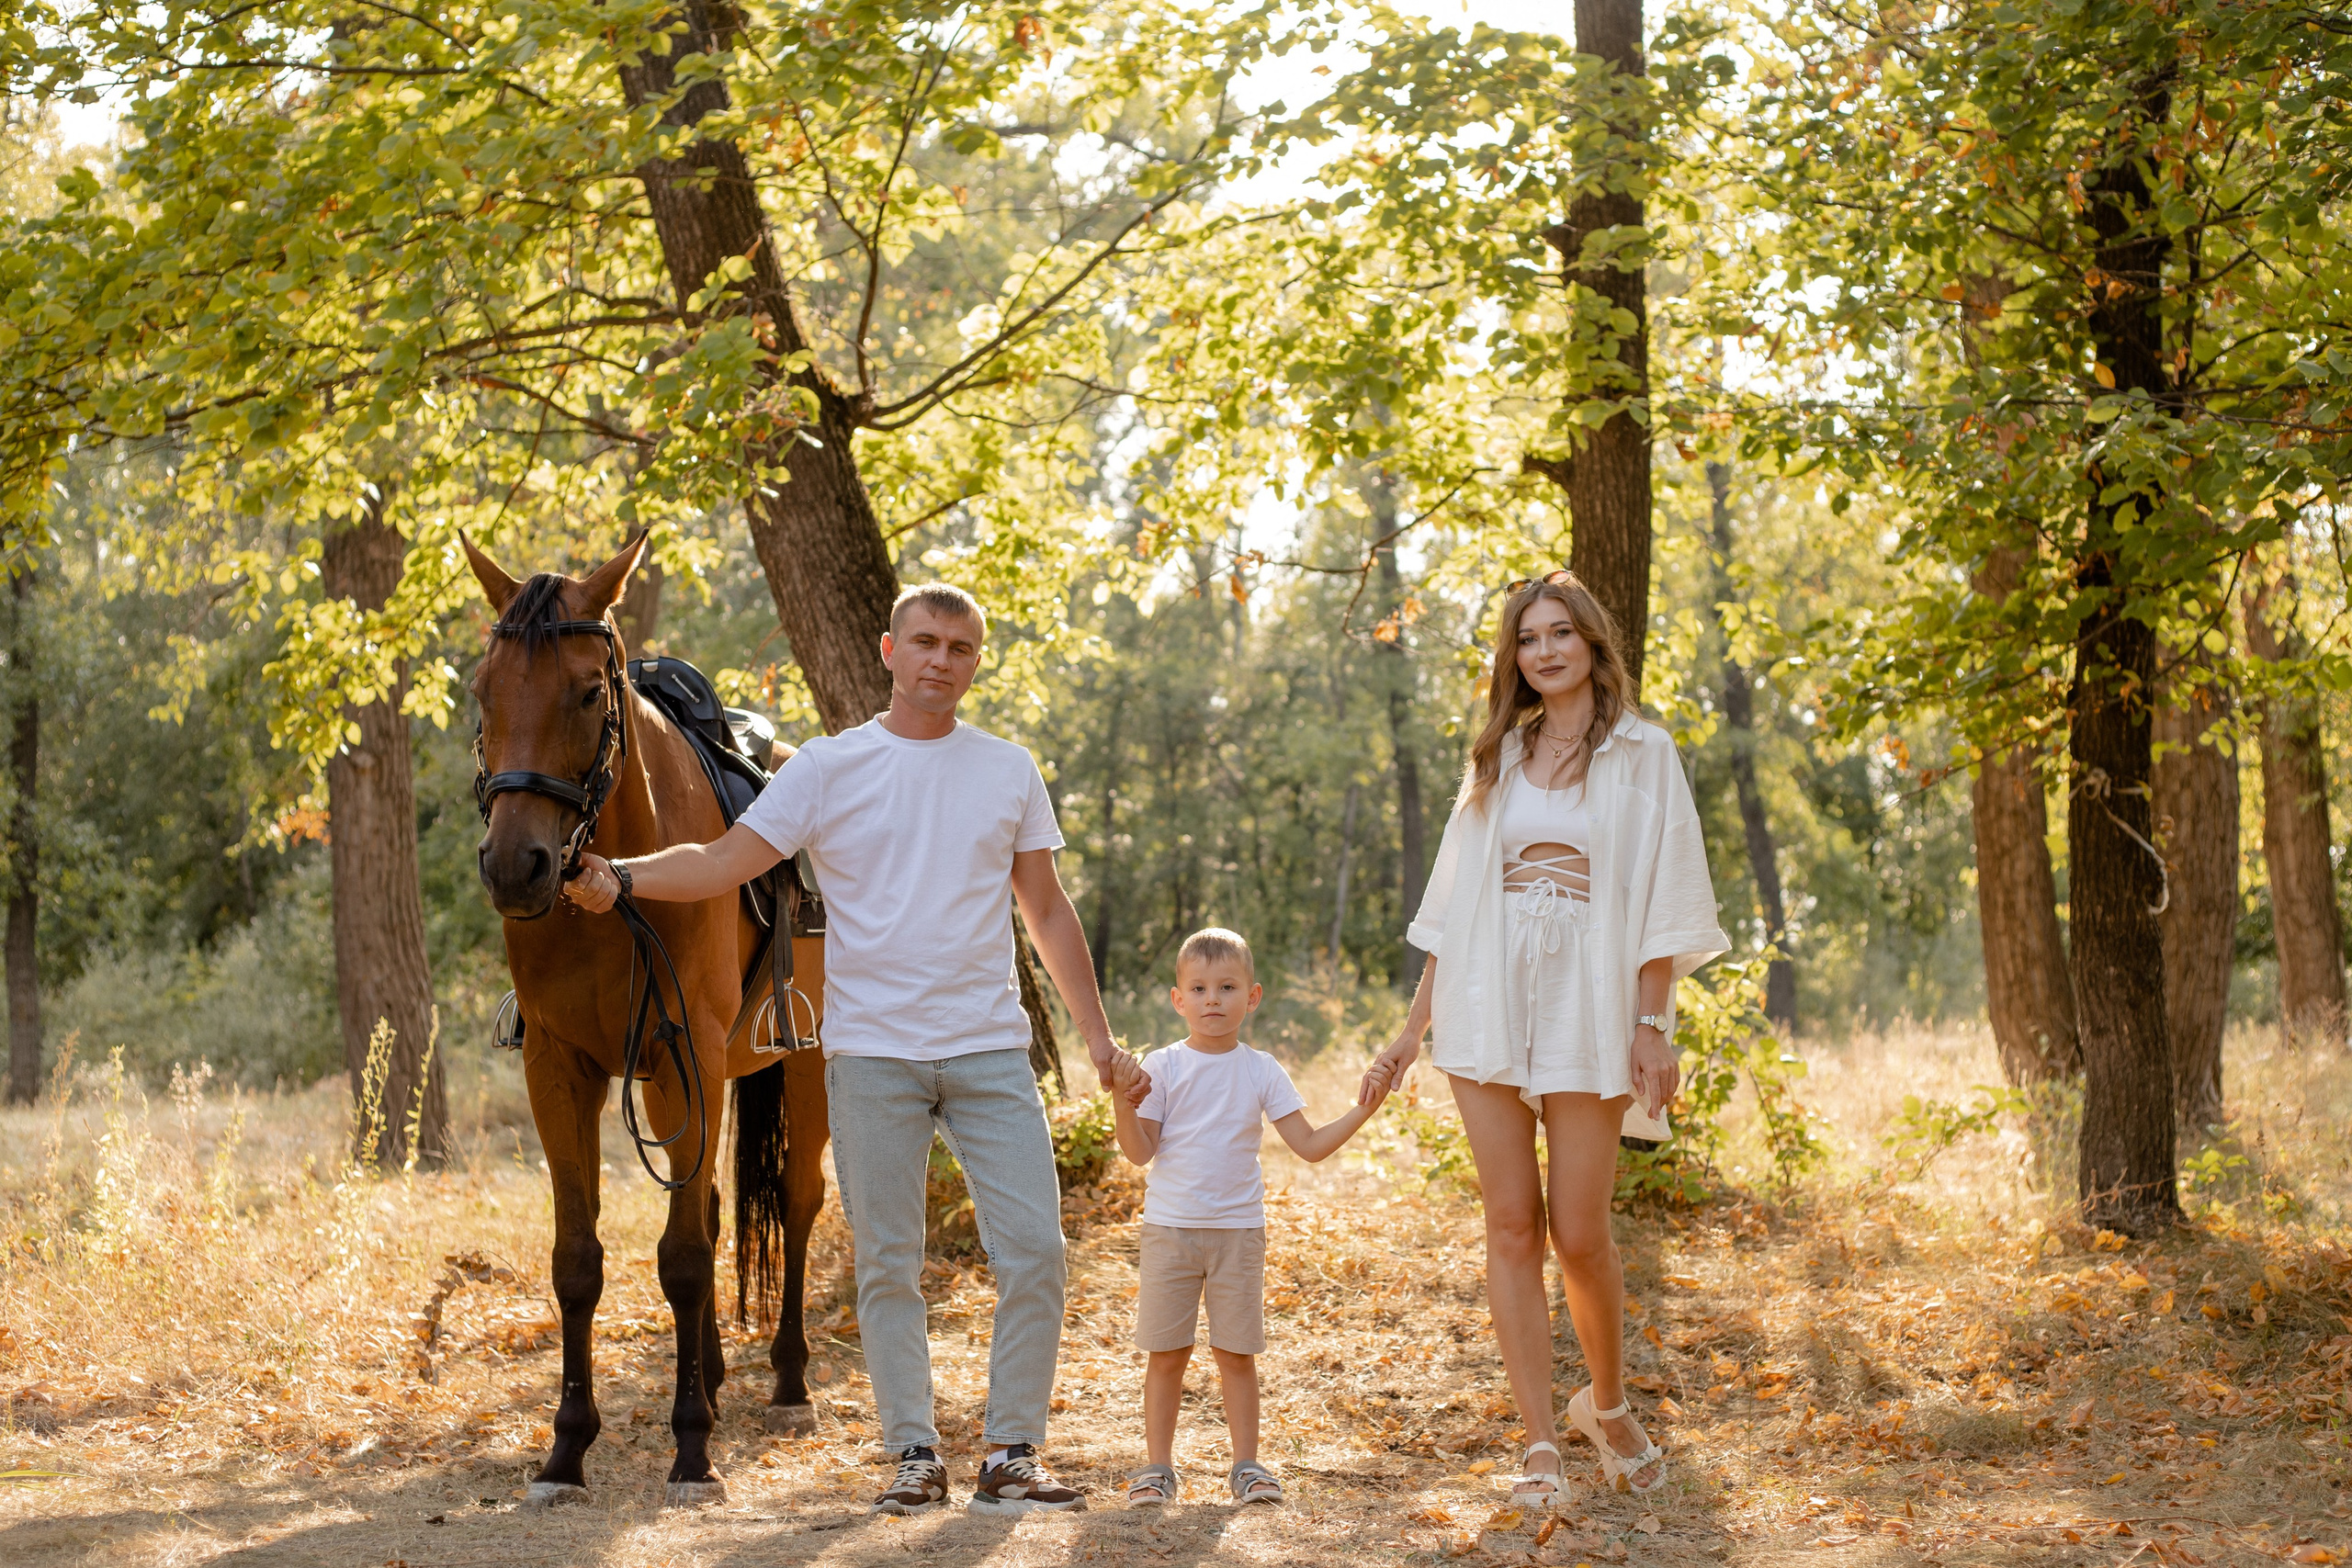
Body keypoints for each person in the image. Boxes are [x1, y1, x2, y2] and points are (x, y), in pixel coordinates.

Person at [565, 583, 1145, 1517]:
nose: (940, 661)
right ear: (887, 649)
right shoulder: (830, 770)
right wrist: (623, 875)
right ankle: (914, 1454)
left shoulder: (1007, 769)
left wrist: (1098, 1037)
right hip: (872, 1055)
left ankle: (1010, 1455)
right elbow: (719, 863)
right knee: (887, 1262)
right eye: (924, 642)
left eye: (960, 648)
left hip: (991, 1050)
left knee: (1035, 1252)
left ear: (975, 662)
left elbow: (1045, 910)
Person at [1362, 570, 1727, 1502]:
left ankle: (1602, 1406)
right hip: (1487, 1001)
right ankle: (1537, 1447)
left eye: (1561, 633)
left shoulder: (1644, 753)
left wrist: (1652, 1027)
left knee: (1580, 1232)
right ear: (1513, 658)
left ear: (1592, 644)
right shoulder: (1497, 755)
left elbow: (1663, 898)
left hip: (1590, 1002)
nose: (1545, 651)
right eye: (1529, 639)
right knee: (1510, 1225)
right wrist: (1412, 1032)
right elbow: (1452, 912)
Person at [1110, 928, 1393, 1507]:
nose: (1213, 999)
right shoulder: (1162, 1067)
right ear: (1178, 999)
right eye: (1200, 987)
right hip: (1171, 1231)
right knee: (1167, 1355)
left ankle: (1247, 1466)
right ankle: (1157, 1469)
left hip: (1238, 1233)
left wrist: (1365, 1108)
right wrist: (1121, 1096)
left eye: (1227, 986)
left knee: (1236, 1353)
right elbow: (1140, 1152)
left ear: (1252, 996)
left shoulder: (1262, 1070)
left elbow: (1310, 1146)